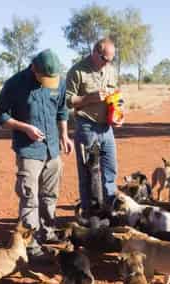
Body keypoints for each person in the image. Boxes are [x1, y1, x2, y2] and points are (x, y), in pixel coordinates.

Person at [0, 49, 73, 258]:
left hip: (52, 148)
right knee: (30, 198)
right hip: (29, 151)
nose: (49, 81)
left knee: (50, 196)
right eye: (45, 78)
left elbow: (62, 110)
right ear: (34, 68)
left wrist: (64, 135)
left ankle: (47, 232)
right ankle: (30, 243)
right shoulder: (15, 84)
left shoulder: (58, 82)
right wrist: (24, 127)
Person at [66, 37, 123, 220]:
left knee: (110, 171)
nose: (108, 63)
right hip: (87, 127)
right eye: (105, 59)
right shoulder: (77, 71)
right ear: (95, 53)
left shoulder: (111, 71)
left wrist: (119, 114)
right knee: (89, 174)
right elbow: (68, 100)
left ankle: (110, 213)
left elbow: (117, 97)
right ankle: (90, 216)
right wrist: (89, 98)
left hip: (107, 128)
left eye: (111, 60)